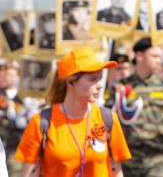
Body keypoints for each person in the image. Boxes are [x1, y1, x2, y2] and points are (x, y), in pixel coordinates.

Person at [15, 47, 131, 176]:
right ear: (70, 82)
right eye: (93, 79)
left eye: (100, 78)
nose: (100, 85)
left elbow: (117, 172)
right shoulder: (40, 123)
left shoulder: (108, 118)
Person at [106, 37, 163, 177]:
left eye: (159, 56)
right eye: (154, 56)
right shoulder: (122, 86)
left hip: (158, 157)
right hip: (130, 158)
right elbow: (109, 117)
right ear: (140, 55)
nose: (158, 60)